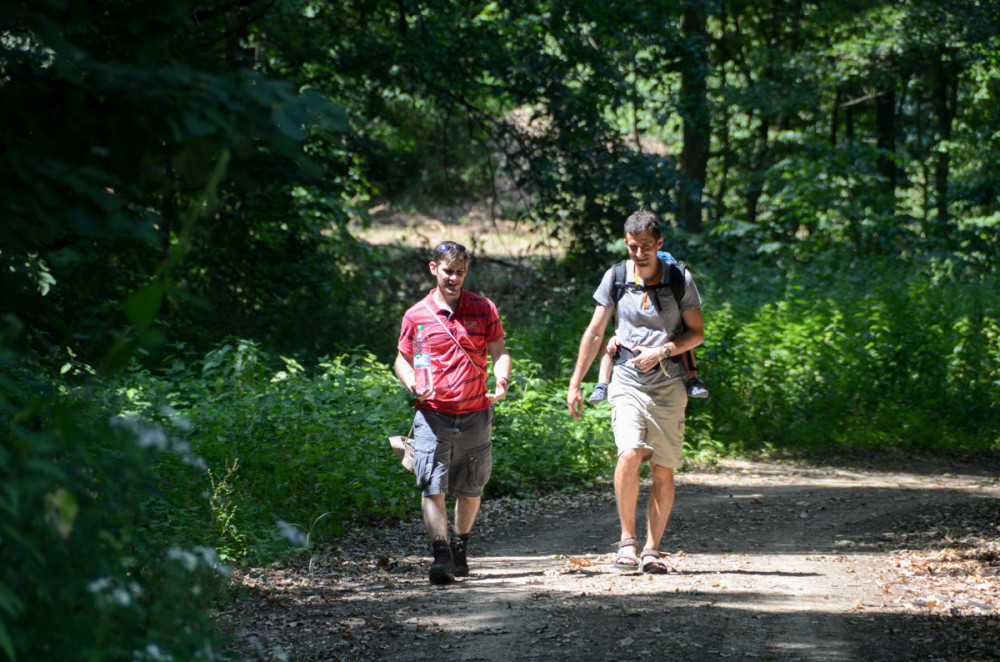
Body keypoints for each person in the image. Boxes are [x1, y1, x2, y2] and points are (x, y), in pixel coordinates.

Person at [567, 210, 704, 573]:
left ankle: (652, 549)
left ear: (660, 244)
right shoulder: (615, 277)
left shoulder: (679, 279)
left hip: (670, 383)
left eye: (646, 246)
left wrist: (664, 350)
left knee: (663, 469)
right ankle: (627, 542)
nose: (639, 253)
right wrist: (576, 382)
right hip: (626, 381)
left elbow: (696, 333)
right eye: (632, 247)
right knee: (628, 453)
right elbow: (595, 332)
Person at [394, 241, 512, 585]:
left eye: (460, 272)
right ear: (434, 269)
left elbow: (500, 350)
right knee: (432, 483)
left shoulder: (483, 308)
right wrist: (413, 382)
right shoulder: (417, 315)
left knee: (471, 486)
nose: (454, 278)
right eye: (448, 271)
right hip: (432, 414)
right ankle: (441, 553)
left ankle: (460, 545)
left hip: (476, 411)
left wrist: (502, 379)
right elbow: (402, 358)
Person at [589, 251, 708, 404]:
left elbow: (694, 331)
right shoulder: (623, 280)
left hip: (670, 340)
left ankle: (693, 380)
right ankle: (601, 384)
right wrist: (617, 337)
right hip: (627, 363)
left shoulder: (677, 281)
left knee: (684, 346)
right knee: (608, 345)